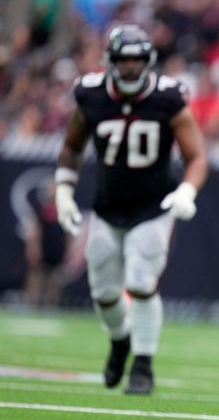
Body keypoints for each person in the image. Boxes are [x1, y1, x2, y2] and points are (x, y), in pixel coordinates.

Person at [54, 24, 208, 395]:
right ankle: (120, 340)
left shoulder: (167, 98)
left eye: (137, 60)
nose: (130, 68)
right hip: (107, 207)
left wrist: (187, 190)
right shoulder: (91, 95)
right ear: (110, 61)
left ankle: (143, 363)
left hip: (152, 206)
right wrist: (63, 190)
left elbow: (196, 155)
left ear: (149, 62)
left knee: (141, 283)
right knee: (104, 294)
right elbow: (73, 147)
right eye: (124, 60)